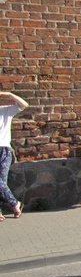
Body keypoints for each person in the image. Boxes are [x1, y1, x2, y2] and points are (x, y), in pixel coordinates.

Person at [0, 91, 28, 220]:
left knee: (1, 183)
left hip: (3, 150)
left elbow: (24, 104)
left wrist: (8, 94)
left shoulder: (6, 111)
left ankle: (15, 203)